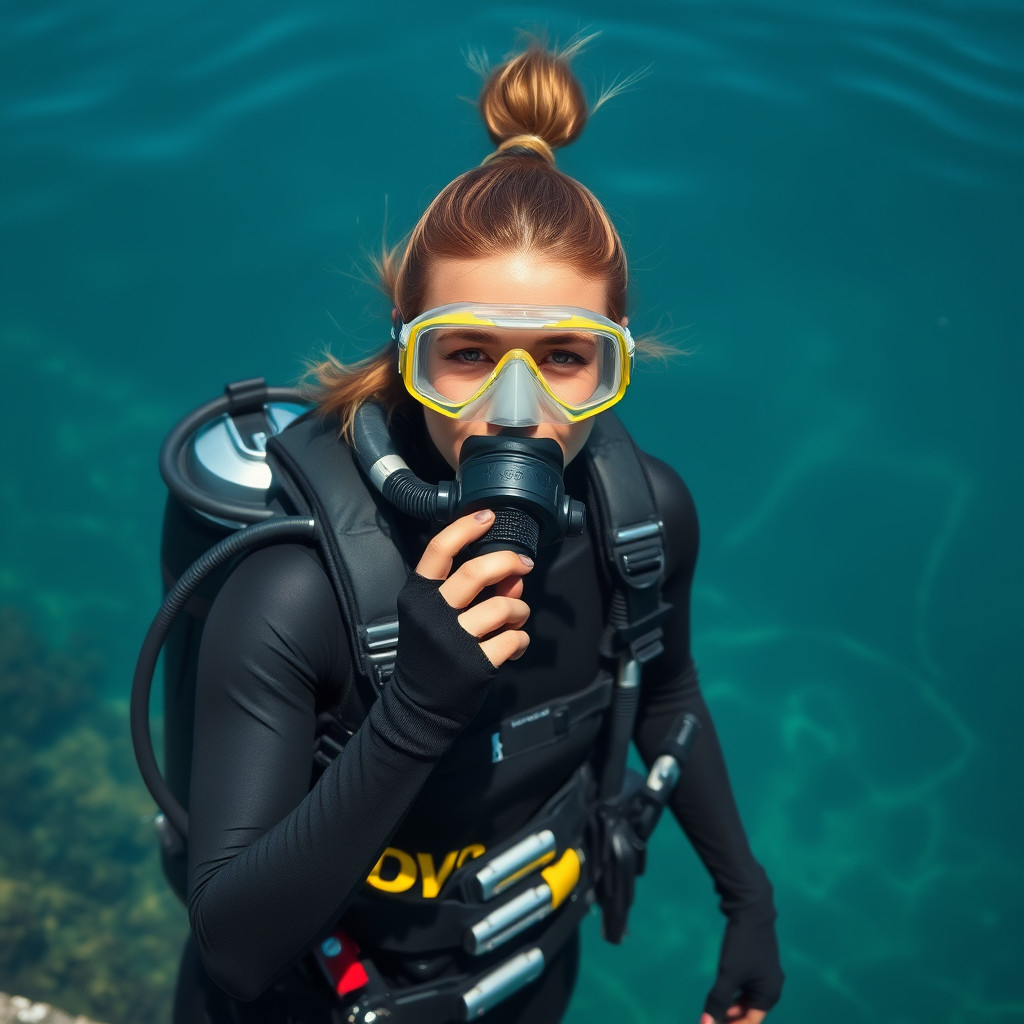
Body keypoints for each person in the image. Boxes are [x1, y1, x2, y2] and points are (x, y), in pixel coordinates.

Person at [172, 37, 784, 1024]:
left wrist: (746, 896)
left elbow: (666, 688)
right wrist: (415, 707)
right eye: (463, 353)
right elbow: (234, 946)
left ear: (613, 362)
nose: (514, 408)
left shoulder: (645, 517)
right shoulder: (297, 591)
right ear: (405, 349)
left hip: (522, 978)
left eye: (564, 358)